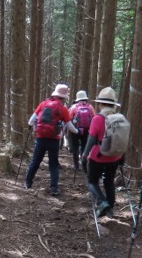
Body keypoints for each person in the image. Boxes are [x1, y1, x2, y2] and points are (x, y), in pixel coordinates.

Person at [80, 87, 124, 217]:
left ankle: (102, 202)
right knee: (109, 181)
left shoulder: (98, 118)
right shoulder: (120, 118)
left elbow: (92, 139)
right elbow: (123, 139)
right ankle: (110, 209)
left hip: (98, 156)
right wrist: (122, 156)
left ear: (100, 104)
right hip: (115, 156)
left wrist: (84, 155)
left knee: (92, 181)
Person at [24, 84, 72, 196]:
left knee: (35, 161)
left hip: (40, 138)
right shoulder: (63, 109)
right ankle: (54, 187)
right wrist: (78, 132)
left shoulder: (43, 104)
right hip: (54, 140)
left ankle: (28, 182)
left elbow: (31, 121)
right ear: (64, 97)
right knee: (53, 164)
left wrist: (35, 126)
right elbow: (70, 127)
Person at [66, 90, 95, 171]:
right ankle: (83, 164)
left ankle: (76, 165)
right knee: (84, 146)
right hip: (87, 130)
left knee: (75, 147)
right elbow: (94, 117)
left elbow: (69, 118)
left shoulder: (74, 107)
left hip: (76, 130)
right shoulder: (90, 107)